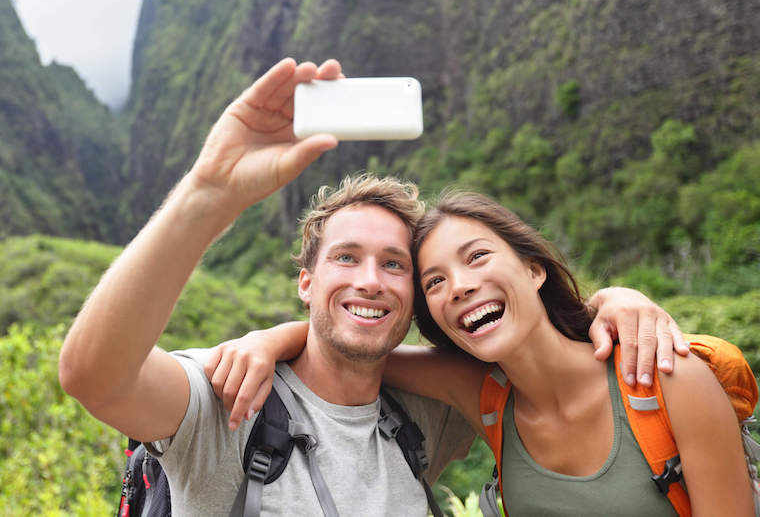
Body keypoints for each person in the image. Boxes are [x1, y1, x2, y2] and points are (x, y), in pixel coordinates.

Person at [59, 59, 685, 516]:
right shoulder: (231, 397)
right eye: (346, 258)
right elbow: (95, 375)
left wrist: (612, 301)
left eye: (395, 265)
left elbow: (541, 356)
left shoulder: (432, 408)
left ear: (416, 297)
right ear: (307, 281)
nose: (369, 280)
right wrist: (208, 194)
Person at [211, 189, 753, 515]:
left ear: (534, 269)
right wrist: (268, 340)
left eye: (477, 258)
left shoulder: (664, 378)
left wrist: (618, 298)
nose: (461, 286)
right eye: (435, 281)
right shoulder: (484, 396)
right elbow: (350, 345)